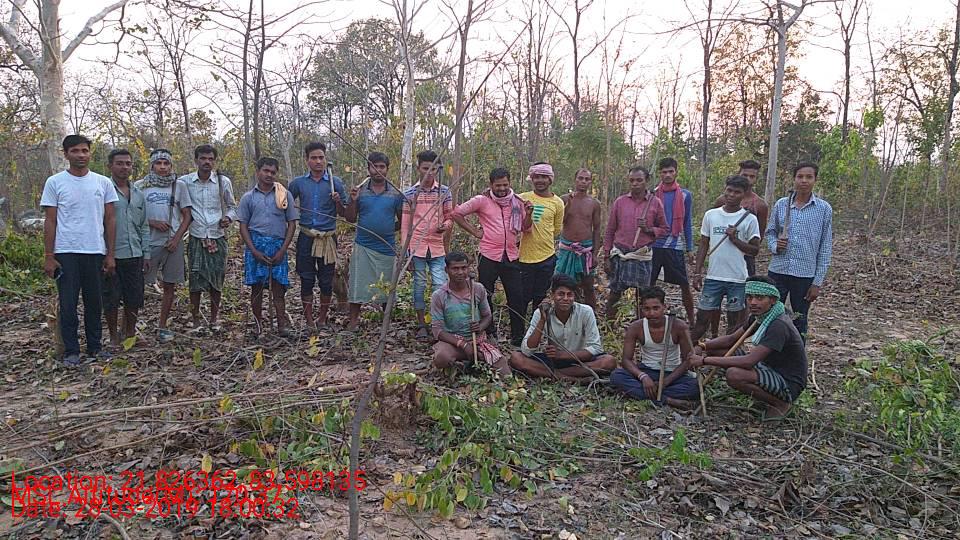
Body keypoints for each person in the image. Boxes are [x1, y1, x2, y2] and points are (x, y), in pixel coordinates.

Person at [41, 135, 118, 366]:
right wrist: (49, 256)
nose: (81, 155)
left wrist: (110, 254)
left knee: (94, 302)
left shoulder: (102, 183)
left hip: (94, 250)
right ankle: (71, 351)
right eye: (75, 151)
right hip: (66, 251)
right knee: (68, 304)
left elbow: (110, 219)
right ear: (66, 154)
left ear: (90, 153)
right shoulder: (55, 182)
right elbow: (50, 220)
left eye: (85, 150)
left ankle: (95, 347)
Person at [689, 276, 808, 419]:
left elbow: (748, 361)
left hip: (788, 382)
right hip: (767, 367)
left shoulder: (778, 325)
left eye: (759, 298)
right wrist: (702, 346)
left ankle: (780, 403)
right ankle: (764, 392)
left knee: (734, 375)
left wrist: (704, 361)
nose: (753, 302)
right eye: (749, 297)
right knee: (717, 349)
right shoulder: (761, 316)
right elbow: (732, 339)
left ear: (772, 300)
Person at [451, 168, 533, 347]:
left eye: (505, 185)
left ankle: (518, 337)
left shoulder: (518, 202)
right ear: (491, 185)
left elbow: (525, 227)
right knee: (485, 295)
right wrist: (475, 231)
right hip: (488, 255)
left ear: (510, 183)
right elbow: (456, 213)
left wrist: (529, 213)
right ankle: (490, 333)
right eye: (498, 185)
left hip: (511, 255)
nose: (502, 189)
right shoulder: (482, 200)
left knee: (516, 297)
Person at [764, 161, 833, 342]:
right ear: (794, 179)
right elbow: (770, 232)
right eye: (800, 176)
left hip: (804, 274)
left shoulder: (823, 209)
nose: (804, 181)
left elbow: (825, 247)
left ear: (815, 180)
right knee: (770, 316)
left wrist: (817, 282)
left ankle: (797, 354)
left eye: (809, 177)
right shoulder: (782, 205)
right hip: (778, 271)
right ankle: (770, 353)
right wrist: (775, 245)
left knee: (799, 319)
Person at [690, 175, 761, 342]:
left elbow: (754, 250)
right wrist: (697, 272)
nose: (731, 195)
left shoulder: (750, 219)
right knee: (702, 320)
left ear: (744, 194)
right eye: (729, 190)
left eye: (737, 192)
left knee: (734, 323)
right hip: (713, 277)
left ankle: (727, 355)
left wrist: (735, 240)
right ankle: (687, 352)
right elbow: (703, 245)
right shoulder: (711, 215)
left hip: (737, 279)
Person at [509, 274, 616, 382]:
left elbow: (595, 348)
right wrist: (542, 320)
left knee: (609, 361)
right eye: (561, 294)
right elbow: (527, 350)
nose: (565, 299)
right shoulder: (542, 312)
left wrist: (561, 355)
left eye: (569, 295)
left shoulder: (585, 311)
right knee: (516, 358)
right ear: (552, 295)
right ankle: (572, 378)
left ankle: (554, 374)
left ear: (574, 296)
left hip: (579, 359)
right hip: (553, 361)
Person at [236, 157, 299, 338]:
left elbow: (292, 224)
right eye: (266, 171)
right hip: (256, 245)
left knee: (278, 288)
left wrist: (283, 249)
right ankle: (258, 327)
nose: (269, 175)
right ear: (258, 172)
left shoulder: (283, 196)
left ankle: (281, 326)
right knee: (256, 288)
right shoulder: (248, 197)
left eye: (273, 172)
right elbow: (243, 226)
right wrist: (254, 250)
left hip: (278, 245)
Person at [342, 151, 405, 331]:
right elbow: (350, 218)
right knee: (357, 285)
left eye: (381, 167)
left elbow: (402, 221)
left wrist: (386, 229)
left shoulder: (395, 193)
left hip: (386, 247)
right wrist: (353, 201)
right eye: (374, 166)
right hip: (363, 246)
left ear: (387, 169)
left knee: (387, 286)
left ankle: (386, 323)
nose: (378, 170)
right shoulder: (359, 191)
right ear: (368, 169)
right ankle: (354, 321)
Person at [136, 148, 193, 343]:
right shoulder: (140, 186)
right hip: (147, 244)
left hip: (171, 244)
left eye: (166, 163)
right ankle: (132, 325)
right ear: (152, 165)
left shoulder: (179, 186)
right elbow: (133, 215)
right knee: (139, 284)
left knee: (170, 285)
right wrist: (152, 222)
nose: (162, 167)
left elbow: (187, 216)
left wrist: (176, 239)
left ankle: (162, 326)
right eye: (158, 163)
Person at [289, 142, 348, 329]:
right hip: (306, 237)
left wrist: (337, 202)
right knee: (306, 279)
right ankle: (308, 320)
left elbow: (345, 213)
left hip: (328, 238)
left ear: (325, 159)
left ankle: (322, 318)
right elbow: (285, 205)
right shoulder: (298, 183)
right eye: (313, 158)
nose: (318, 161)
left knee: (326, 280)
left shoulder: (335, 183)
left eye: (321, 157)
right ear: (307, 160)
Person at [610, 287, 699, 408]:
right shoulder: (636, 327)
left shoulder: (678, 326)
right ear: (641, 309)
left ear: (664, 307)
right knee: (616, 376)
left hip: (672, 373)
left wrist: (665, 382)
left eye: (656, 308)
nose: (651, 313)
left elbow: (687, 360)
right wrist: (643, 377)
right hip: (647, 370)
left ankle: (647, 394)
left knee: (695, 386)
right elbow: (626, 360)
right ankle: (667, 400)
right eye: (647, 309)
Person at [181, 144, 238, 332]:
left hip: (217, 236)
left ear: (215, 161)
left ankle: (214, 319)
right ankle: (196, 320)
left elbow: (232, 207)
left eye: (210, 159)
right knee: (195, 280)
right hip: (197, 236)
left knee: (217, 278)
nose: (207, 162)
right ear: (196, 160)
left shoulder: (223, 181)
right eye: (203, 158)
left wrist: (228, 218)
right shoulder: (185, 182)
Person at [603, 166, 668, 322]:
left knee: (642, 296)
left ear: (647, 181)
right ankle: (609, 326)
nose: (635, 184)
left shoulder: (655, 203)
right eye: (632, 180)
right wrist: (606, 256)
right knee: (615, 293)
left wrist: (649, 229)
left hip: (641, 255)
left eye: (639, 180)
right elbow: (610, 230)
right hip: (620, 254)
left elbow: (665, 229)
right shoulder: (620, 202)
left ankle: (641, 327)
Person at [401, 150, 453, 340]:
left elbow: (449, 217)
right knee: (419, 285)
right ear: (418, 168)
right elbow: (405, 225)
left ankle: (439, 323)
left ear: (438, 169)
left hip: (437, 246)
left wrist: (445, 226)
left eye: (433, 169)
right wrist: (406, 252)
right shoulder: (410, 194)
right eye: (425, 168)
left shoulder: (444, 192)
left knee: (440, 284)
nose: (429, 173)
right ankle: (421, 323)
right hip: (417, 246)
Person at [430, 251, 510, 377]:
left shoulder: (477, 289)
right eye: (455, 269)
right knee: (441, 358)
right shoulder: (439, 295)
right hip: (453, 343)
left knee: (505, 372)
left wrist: (480, 327)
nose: (460, 272)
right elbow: (437, 331)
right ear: (446, 270)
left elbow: (487, 316)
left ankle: (472, 361)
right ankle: (465, 361)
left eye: (464, 268)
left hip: (477, 340)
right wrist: (463, 344)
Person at [102, 149, 150, 349]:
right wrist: (107, 254)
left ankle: (130, 333)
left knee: (134, 296)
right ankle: (113, 336)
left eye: (128, 164)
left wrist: (146, 253)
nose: (124, 167)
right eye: (120, 163)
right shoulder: (103, 190)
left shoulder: (138, 194)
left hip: (134, 253)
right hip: (111, 254)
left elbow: (144, 225)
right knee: (111, 297)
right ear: (110, 166)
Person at [650, 157, 695, 323]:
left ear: (676, 172)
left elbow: (687, 221)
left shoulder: (685, 195)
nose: (668, 175)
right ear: (660, 174)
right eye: (664, 172)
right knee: (647, 284)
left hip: (674, 244)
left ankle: (692, 320)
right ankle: (642, 320)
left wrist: (690, 248)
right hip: (654, 244)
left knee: (684, 284)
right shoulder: (653, 194)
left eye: (671, 171)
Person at [518, 162, 565, 316]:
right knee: (522, 297)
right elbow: (503, 200)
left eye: (544, 177)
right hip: (524, 258)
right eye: (536, 177)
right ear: (532, 179)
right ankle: (520, 328)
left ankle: (537, 326)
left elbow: (556, 229)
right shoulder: (523, 198)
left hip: (546, 258)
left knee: (540, 297)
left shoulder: (557, 203)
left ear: (550, 179)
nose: (540, 180)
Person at [712, 160, 769, 277]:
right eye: (745, 175)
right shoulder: (722, 200)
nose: (748, 179)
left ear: (756, 179)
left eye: (752, 176)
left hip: (746, 257)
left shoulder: (760, 205)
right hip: (722, 255)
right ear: (739, 174)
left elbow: (759, 235)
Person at [557, 168, 602, 309]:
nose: (583, 181)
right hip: (567, 249)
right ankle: (565, 313)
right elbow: (559, 222)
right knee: (563, 284)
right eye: (580, 178)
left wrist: (595, 254)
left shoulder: (594, 203)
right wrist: (568, 206)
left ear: (590, 182)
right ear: (575, 180)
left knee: (588, 285)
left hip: (585, 250)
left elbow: (596, 229)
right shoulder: (564, 199)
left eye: (587, 179)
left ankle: (591, 316)